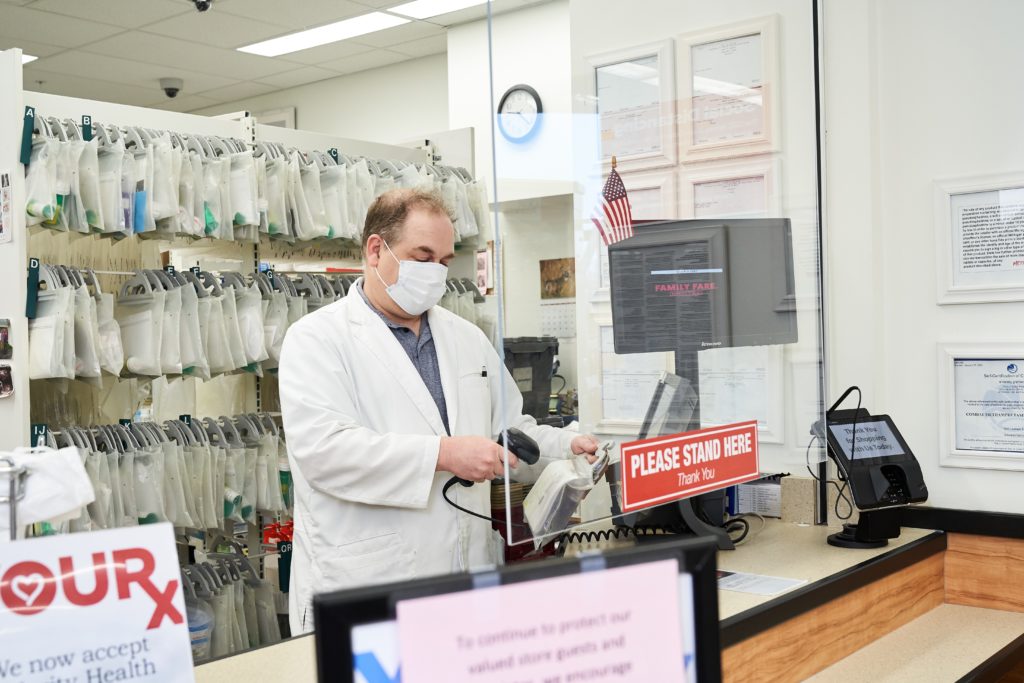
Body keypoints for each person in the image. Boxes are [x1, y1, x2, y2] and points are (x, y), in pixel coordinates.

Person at [279, 188, 598, 634]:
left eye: (445, 261)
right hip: (370, 579)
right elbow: (323, 453)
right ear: (376, 250)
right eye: (422, 256)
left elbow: (509, 431)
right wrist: (443, 454)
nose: (435, 273)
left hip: (465, 572)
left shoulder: (466, 337)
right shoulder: (316, 339)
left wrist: (568, 446)